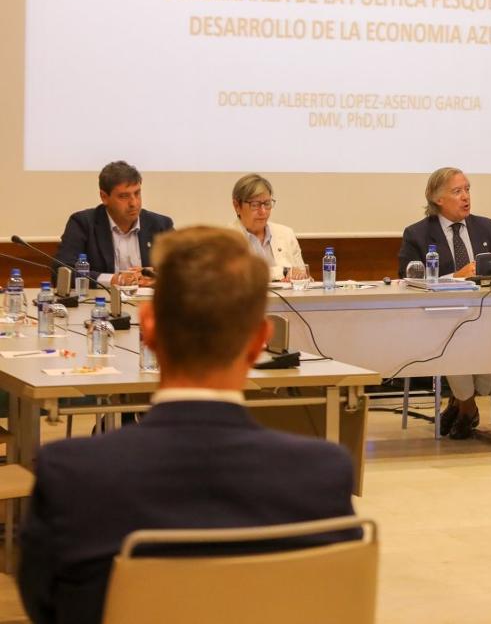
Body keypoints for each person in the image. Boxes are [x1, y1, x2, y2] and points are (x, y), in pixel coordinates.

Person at [20, 227, 356, 624]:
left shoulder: (72, 474)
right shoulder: (320, 472)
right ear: (260, 339)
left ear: (147, 328)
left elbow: (46, 605)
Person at [397, 167, 491, 439]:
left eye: (467, 189)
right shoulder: (417, 234)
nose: (466, 196)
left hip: (485, 313)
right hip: (438, 316)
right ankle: (467, 407)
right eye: (457, 191)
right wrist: (454, 277)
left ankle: (461, 400)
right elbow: (408, 277)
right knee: (453, 336)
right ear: (437, 199)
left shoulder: (487, 227)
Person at [53, 161, 174, 287]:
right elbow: (61, 272)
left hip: (147, 302)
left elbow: (183, 269)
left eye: (137, 193)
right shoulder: (83, 223)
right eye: (124, 196)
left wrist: (157, 276)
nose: (134, 203)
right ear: (104, 197)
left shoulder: (161, 225)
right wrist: (113, 279)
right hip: (103, 303)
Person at [229, 173, 305, 280]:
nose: (263, 211)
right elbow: (238, 277)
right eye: (255, 205)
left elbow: (301, 273)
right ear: (236, 205)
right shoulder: (225, 240)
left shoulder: (286, 234)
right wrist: (284, 271)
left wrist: (301, 278)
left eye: (267, 203)